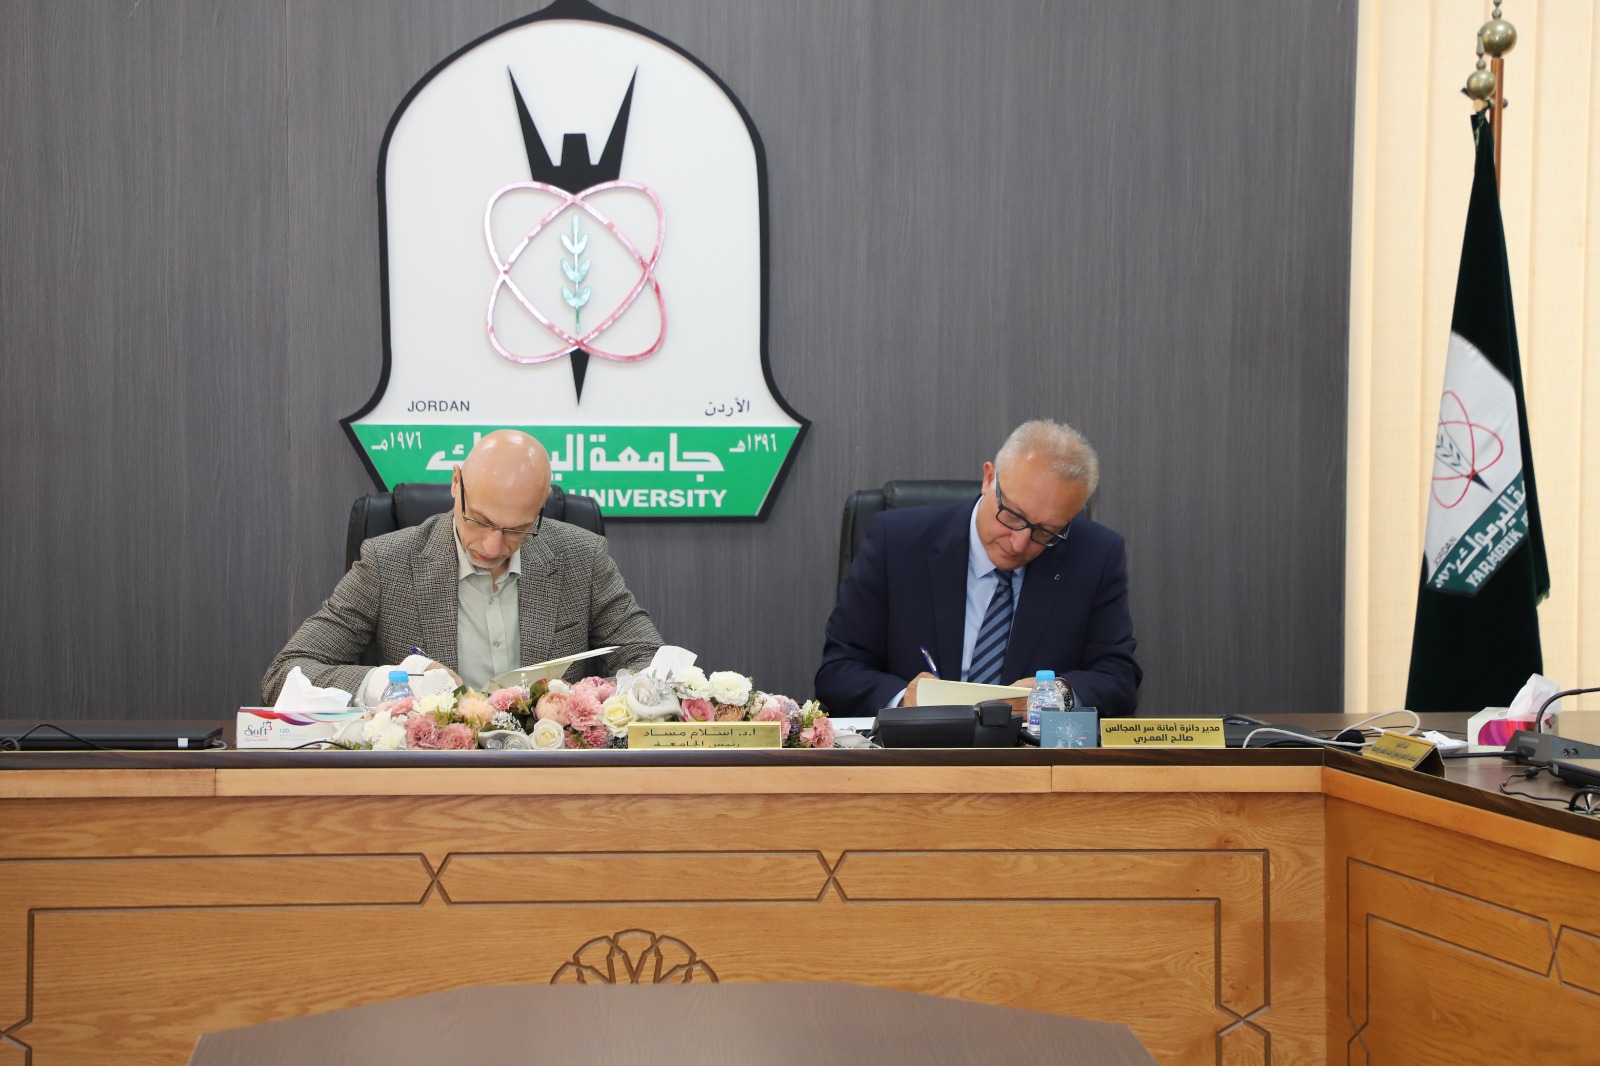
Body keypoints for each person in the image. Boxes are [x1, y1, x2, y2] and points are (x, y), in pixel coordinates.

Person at [263, 429, 662, 704]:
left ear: (541, 507)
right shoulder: (388, 562)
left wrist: (588, 699)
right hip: (431, 776)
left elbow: (650, 660)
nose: (493, 546)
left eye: (517, 529)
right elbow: (285, 674)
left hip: (550, 773)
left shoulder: (581, 556)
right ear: (456, 483)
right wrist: (387, 683)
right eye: (480, 521)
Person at [814, 420, 1140, 718]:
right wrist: (902, 701)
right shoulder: (897, 542)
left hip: (1031, 757)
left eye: (1046, 532)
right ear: (988, 478)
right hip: (915, 755)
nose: (1019, 543)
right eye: (1012, 515)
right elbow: (839, 670)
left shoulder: (1096, 555)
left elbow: (1118, 677)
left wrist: (1060, 695)